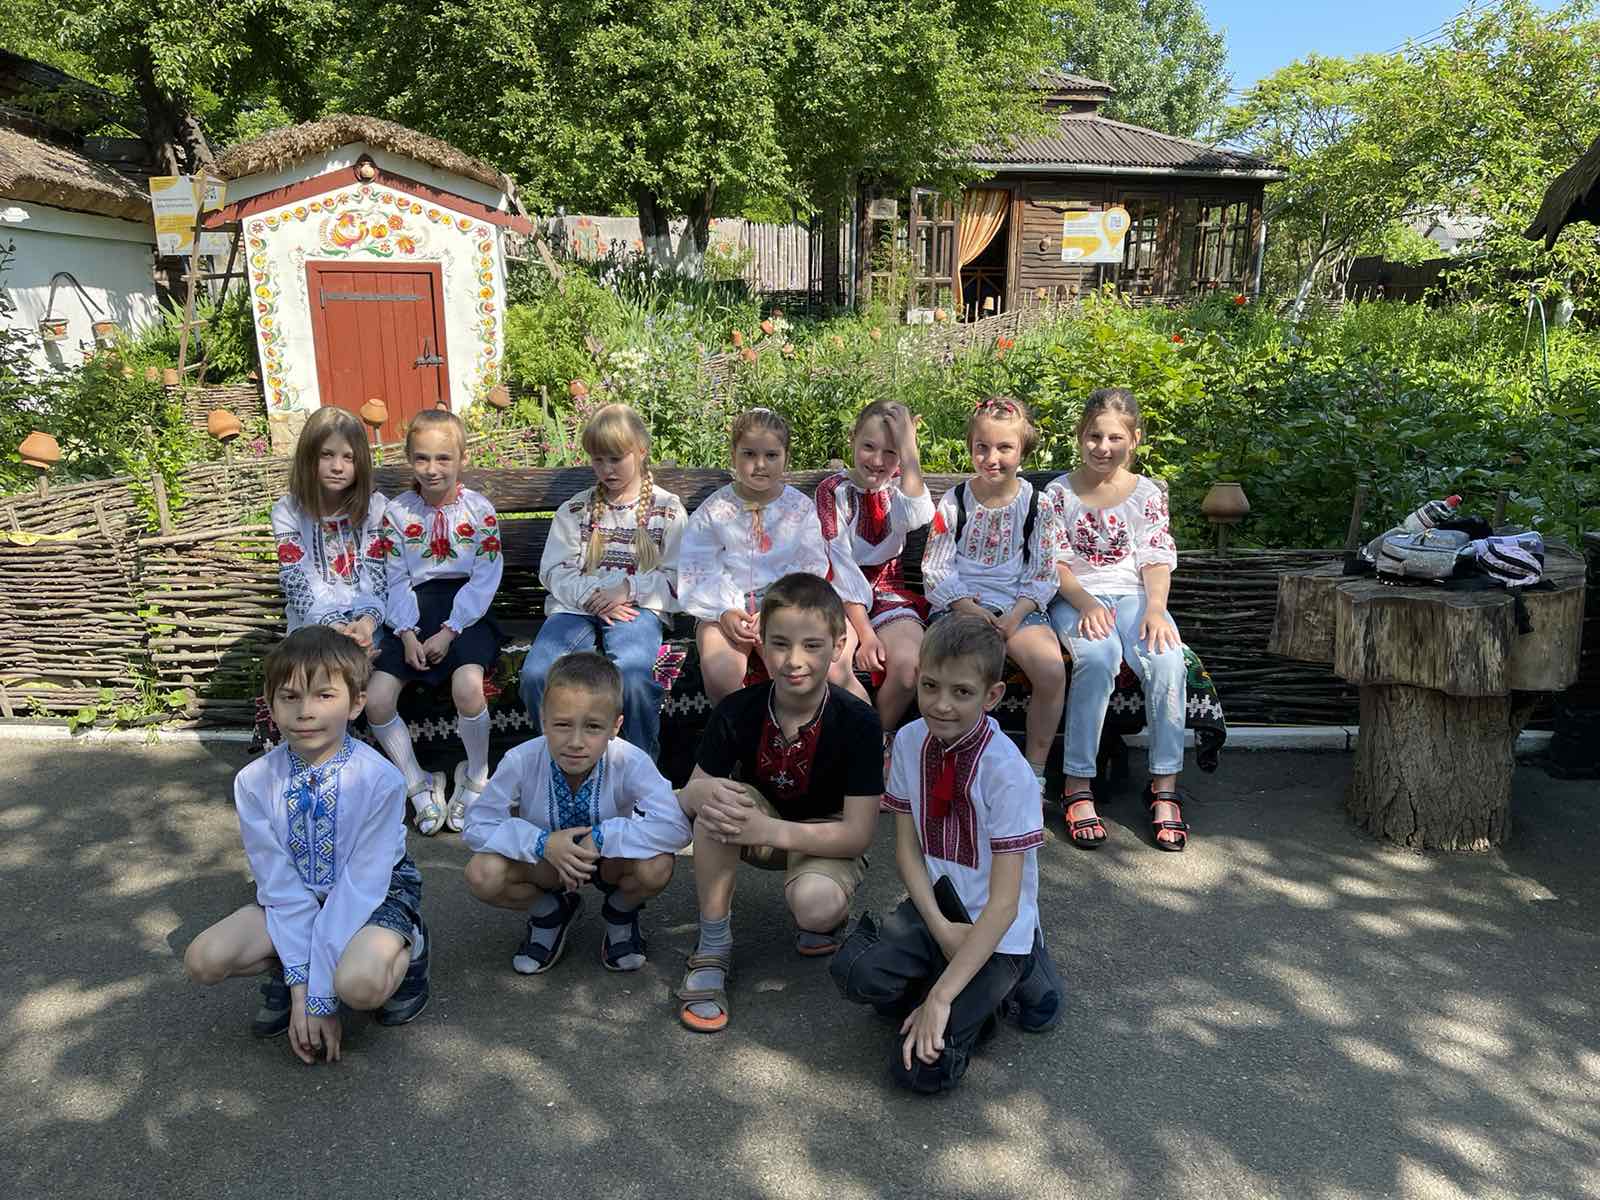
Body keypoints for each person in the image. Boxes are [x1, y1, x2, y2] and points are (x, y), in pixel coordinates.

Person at [831, 615, 1060, 1094]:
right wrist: (939, 927)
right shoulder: (910, 741)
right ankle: (961, 992)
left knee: (922, 1072)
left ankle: (1018, 972)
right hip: (939, 909)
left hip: (998, 928)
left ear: (991, 696)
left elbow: (1004, 905)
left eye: (962, 692)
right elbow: (907, 849)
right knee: (856, 972)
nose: (941, 704)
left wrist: (938, 999)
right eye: (931, 686)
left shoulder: (1008, 773)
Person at [183, 626, 431, 1062]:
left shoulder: (381, 780)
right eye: (290, 697)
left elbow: (360, 886)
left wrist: (322, 1000)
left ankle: (410, 948)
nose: (305, 712)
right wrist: (302, 989)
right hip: (297, 894)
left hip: (375, 894)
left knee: (358, 986)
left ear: (356, 703)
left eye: (324, 696)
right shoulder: (254, 781)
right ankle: (292, 965)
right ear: (270, 702)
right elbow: (278, 883)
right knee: (204, 959)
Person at [671, 572, 884, 1033]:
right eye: (780, 644)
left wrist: (767, 830)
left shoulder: (860, 721)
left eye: (812, 645)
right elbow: (691, 793)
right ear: (761, 645)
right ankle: (713, 945)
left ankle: (823, 920)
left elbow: (859, 834)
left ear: (839, 645)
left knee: (815, 905)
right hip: (759, 818)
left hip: (826, 833)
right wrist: (702, 794)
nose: (794, 660)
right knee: (717, 803)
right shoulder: (737, 710)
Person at [462, 652, 677, 974]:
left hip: (612, 862)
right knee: (482, 874)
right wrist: (542, 843)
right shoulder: (520, 760)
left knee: (658, 866)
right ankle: (549, 912)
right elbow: (476, 825)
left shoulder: (631, 761)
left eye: (593, 727)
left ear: (615, 726)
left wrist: (602, 837)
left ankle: (620, 912)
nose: (576, 742)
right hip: (548, 865)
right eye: (562, 725)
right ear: (543, 719)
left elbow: (675, 826)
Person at [1046, 387, 1189, 851]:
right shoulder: (1058, 494)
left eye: (1114, 438)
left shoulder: (1146, 494)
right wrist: (1086, 603)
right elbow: (1054, 564)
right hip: (1075, 596)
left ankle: (1164, 785)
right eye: (1093, 436)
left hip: (1134, 596)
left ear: (1134, 440)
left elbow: (1156, 558)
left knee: (1166, 659)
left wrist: (1155, 609)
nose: (1103, 447)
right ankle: (1077, 783)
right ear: (1079, 435)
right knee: (1097, 657)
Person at [519, 403, 687, 758]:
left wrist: (627, 589)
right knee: (537, 674)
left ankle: (639, 765)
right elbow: (554, 570)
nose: (607, 469)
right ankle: (558, 760)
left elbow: (680, 578)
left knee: (634, 676)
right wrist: (595, 596)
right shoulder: (576, 510)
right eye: (598, 460)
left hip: (636, 609)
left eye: (616, 458)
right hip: (576, 609)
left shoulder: (667, 510)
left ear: (641, 451)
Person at [366, 410, 504, 836]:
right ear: (409, 459)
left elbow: (485, 577)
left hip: (467, 611)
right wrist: (407, 633)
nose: (432, 468)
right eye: (422, 458)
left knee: (467, 687)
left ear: (462, 458)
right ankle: (417, 781)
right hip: (410, 610)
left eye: (443, 458)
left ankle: (475, 773)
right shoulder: (397, 513)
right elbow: (393, 578)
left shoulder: (479, 511)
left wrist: (450, 630)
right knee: (377, 699)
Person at [920, 396, 1065, 793]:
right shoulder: (955, 501)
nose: (992, 458)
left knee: (1051, 671)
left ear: (1022, 450)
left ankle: (1033, 771)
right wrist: (967, 607)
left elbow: (1043, 571)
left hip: (1018, 605)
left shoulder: (1037, 505)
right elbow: (936, 566)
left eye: (1004, 447)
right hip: (959, 604)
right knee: (953, 669)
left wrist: (1015, 616)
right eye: (982, 447)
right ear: (971, 447)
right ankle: (950, 761)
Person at [677, 408, 832, 705]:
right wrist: (725, 610)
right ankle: (734, 730)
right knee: (721, 673)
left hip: (785, 604)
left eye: (771, 455)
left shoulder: (799, 509)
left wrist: (777, 607)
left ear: (786, 457)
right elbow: (698, 565)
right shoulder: (715, 509)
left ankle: (788, 728)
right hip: (723, 605)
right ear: (733, 454)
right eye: (749, 454)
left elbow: (809, 565)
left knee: (792, 667)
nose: (760, 465)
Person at [814, 399, 934, 738]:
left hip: (889, 590)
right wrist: (866, 635)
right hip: (840, 597)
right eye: (869, 447)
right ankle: (867, 741)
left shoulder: (898, 486)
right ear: (852, 438)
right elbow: (838, 564)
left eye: (891, 452)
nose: (878, 461)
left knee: (910, 668)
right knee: (834, 666)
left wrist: (909, 451)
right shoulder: (832, 491)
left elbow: (918, 516)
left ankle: (878, 738)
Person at [271, 407, 387, 658]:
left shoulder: (375, 508)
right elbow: (297, 579)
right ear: (308, 457)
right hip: (313, 620)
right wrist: (336, 626)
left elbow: (378, 574)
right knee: (322, 666)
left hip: (367, 620)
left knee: (372, 662)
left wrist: (367, 623)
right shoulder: (288, 512)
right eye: (326, 455)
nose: (337, 466)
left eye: (348, 457)